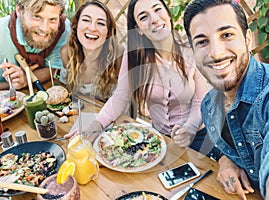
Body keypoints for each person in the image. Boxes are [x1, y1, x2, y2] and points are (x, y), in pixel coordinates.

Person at [65, 0, 219, 156]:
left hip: (199, 135)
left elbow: (201, 100)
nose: (154, 19)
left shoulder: (192, 48)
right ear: (138, 29)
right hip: (161, 138)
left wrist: (190, 128)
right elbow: (121, 96)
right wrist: (97, 124)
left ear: (168, 14)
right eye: (143, 17)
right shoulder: (134, 56)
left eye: (157, 10)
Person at [184, 0, 269, 199]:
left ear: (247, 39)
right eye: (202, 41)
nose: (216, 53)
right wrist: (224, 160)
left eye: (226, 35)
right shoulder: (209, 106)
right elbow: (227, 147)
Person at [60, 0, 124, 102]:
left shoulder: (119, 57)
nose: (92, 28)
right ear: (76, 25)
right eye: (86, 20)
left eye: (100, 23)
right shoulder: (67, 52)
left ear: (108, 32)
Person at [0, 0, 71, 90]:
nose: (44, 28)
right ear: (19, 10)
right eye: (36, 17)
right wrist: (11, 85)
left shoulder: (63, 29)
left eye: (52, 19)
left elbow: (52, 68)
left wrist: (25, 79)